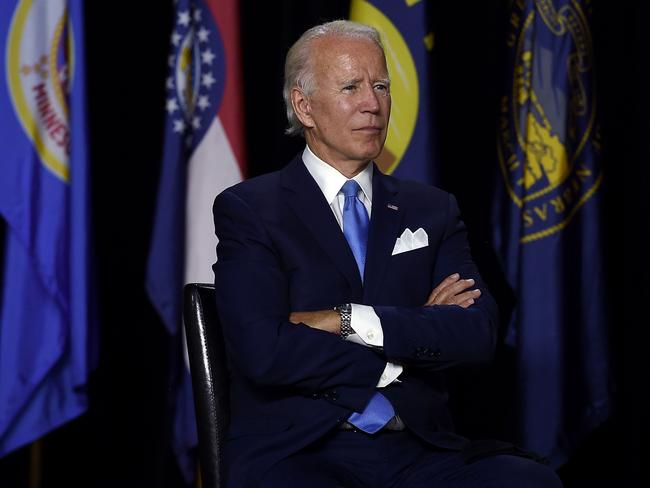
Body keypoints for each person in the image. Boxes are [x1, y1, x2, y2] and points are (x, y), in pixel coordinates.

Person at [212, 20, 562, 488]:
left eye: (380, 85)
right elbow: (265, 351)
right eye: (351, 86)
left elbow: (476, 333)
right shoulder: (250, 209)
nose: (373, 105)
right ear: (304, 106)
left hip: (417, 450)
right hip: (300, 453)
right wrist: (401, 355)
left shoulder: (432, 209)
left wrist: (346, 320)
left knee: (528, 481)